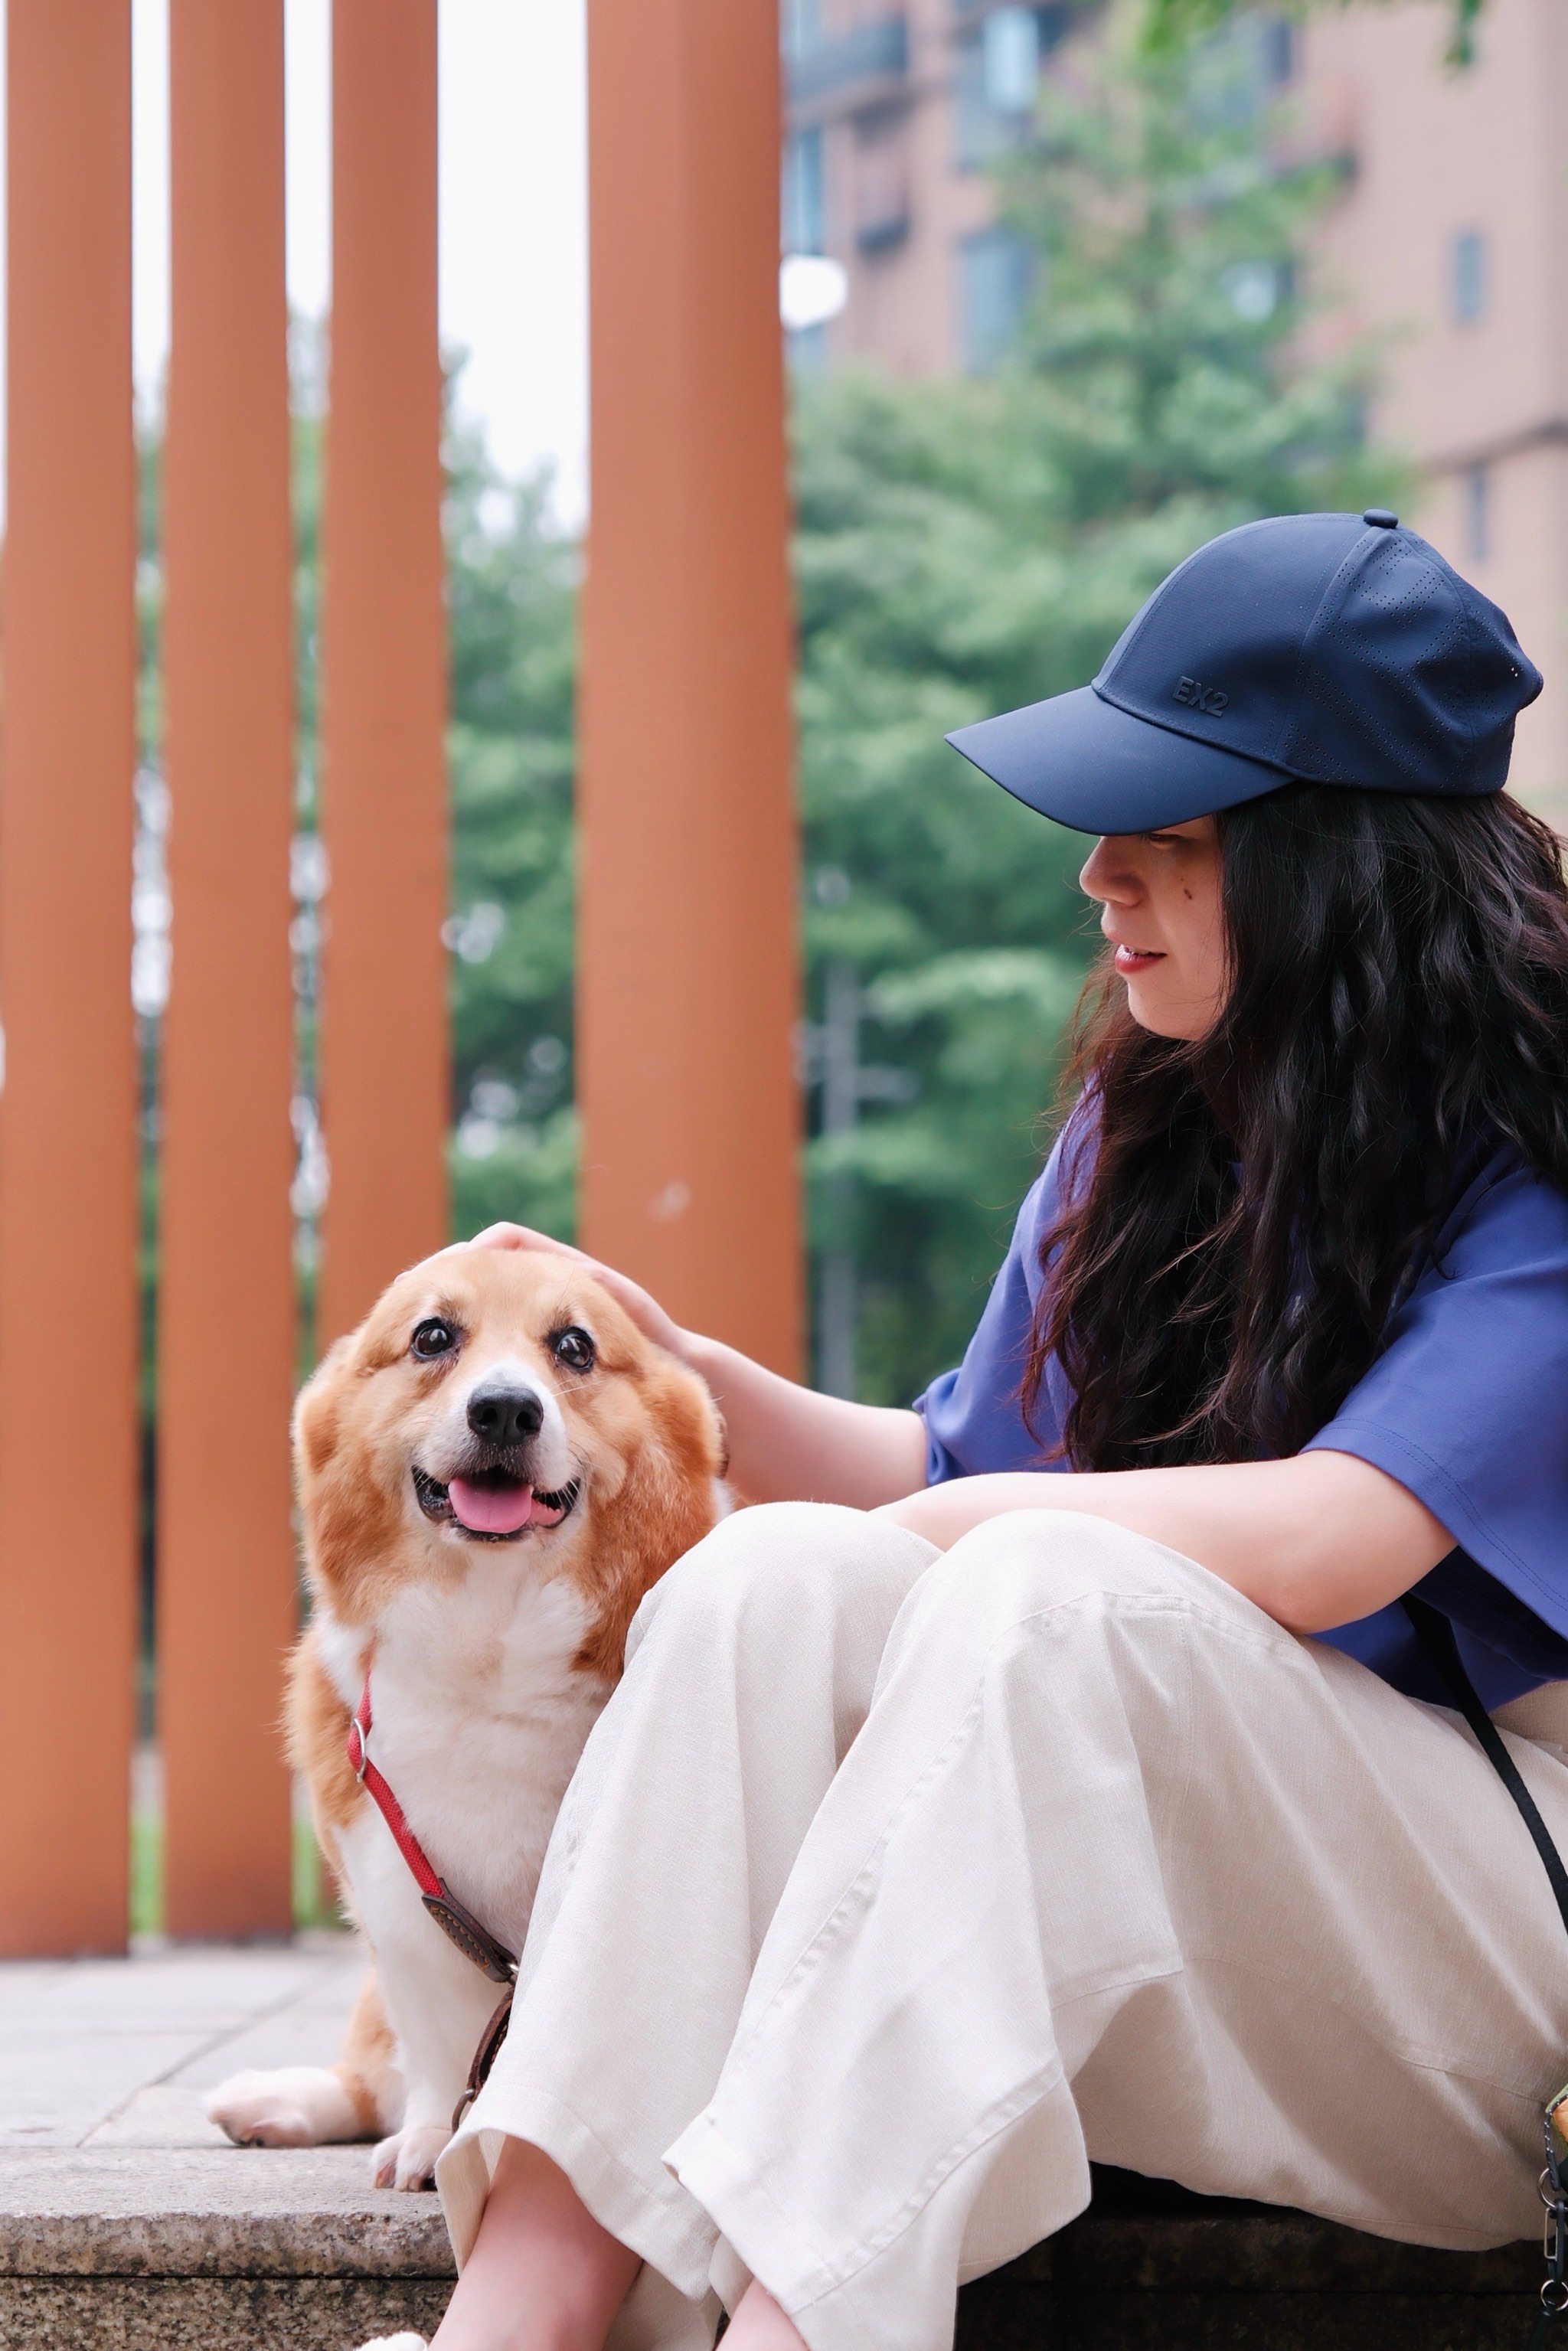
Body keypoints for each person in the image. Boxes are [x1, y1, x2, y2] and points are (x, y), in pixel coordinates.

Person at [400, 511, 1568, 2351]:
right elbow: (954, 1475)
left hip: (1503, 1971)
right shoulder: (1152, 1122)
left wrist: (984, 1544)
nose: (1096, 875)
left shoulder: (1540, 1145)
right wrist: (683, 1374)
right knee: (772, 1580)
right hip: (1202, 1929)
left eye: (1166, 836)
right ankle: (525, 2311)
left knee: (1041, 1595)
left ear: (1337, 868)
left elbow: (1346, 1537)